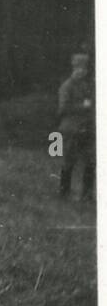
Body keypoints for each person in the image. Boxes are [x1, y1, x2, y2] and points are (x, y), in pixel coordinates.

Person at [57, 52, 93, 200]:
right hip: (71, 128)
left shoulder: (87, 85)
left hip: (87, 128)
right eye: (78, 67)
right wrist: (83, 106)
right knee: (69, 160)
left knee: (91, 160)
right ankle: (64, 193)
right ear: (73, 68)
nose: (81, 71)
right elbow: (62, 108)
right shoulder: (66, 86)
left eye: (84, 68)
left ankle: (87, 194)